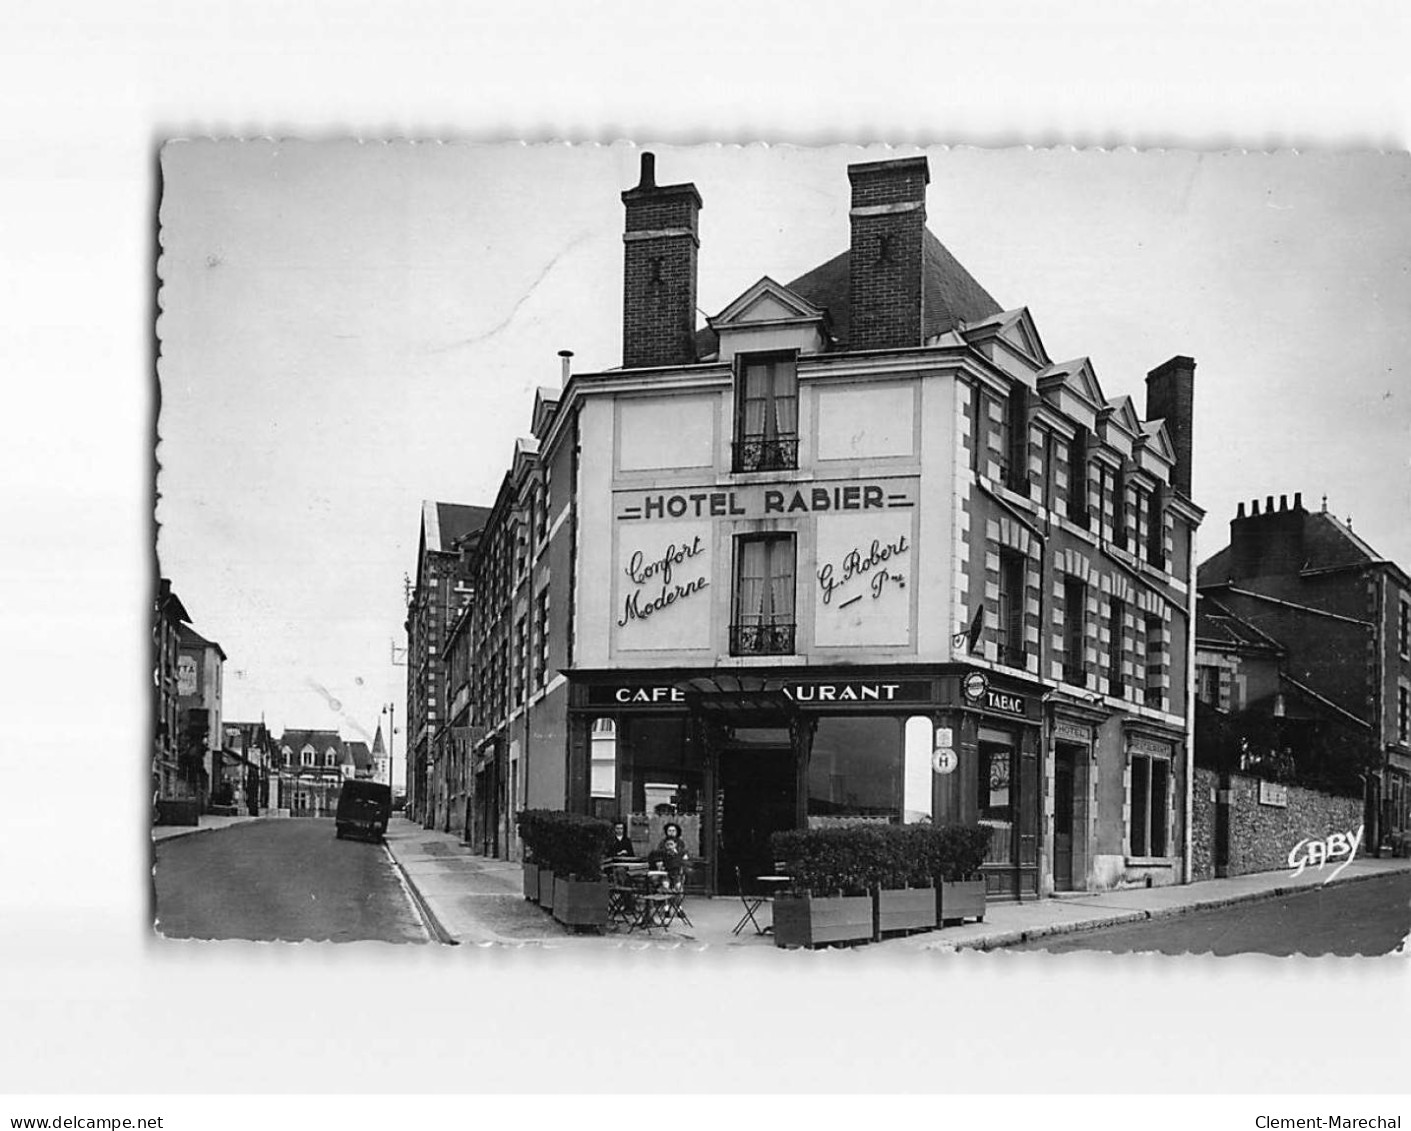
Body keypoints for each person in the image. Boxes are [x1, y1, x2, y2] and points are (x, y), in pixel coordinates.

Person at [653, 822, 689, 890]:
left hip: (677, 869)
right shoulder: (662, 842)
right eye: (669, 831)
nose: (671, 832)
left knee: (678, 885)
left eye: (673, 831)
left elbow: (683, 853)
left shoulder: (680, 843)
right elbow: (659, 854)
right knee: (665, 884)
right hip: (665, 868)